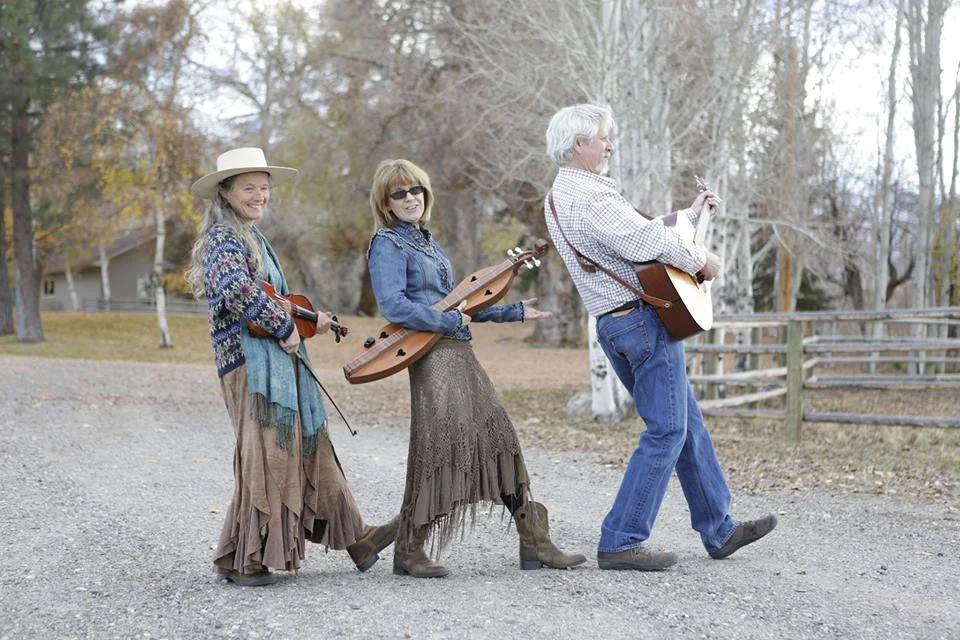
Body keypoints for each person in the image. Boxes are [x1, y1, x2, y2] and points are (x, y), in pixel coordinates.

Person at [543, 104, 777, 571]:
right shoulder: (591, 196)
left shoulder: (559, 196)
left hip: (616, 323)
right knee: (668, 429)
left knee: (685, 422)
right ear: (579, 144)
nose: (610, 146)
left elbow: (638, 234)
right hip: (640, 322)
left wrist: (690, 215)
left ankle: (720, 529)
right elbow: (646, 244)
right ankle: (621, 539)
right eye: (603, 138)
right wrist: (702, 261)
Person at [186, 147, 397, 586]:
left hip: (274, 361)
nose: (260, 196)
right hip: (249, 365)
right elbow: (238, 291)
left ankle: (357, 538)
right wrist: (285, 325)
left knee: (309, 444)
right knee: (267, 454)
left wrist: (309, 320)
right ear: (225, 193)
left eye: (264, 188)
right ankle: (245, 559)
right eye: (249, 188)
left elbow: (270, 296)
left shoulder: (249, 236)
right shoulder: (223, 239)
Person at [366, 158, 586, 578]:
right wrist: (447, 320)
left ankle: (534, 541)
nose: (410, 198)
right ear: (385, 202)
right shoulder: (387, 243)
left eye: (416, 190)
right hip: (431, 358)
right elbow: (393, 305)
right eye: (399, 193)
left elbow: (460, 304)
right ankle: (408, 549)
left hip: (460, 352)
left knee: (497, 437)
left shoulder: (426, 242)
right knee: (443, 449)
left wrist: (513, 311)